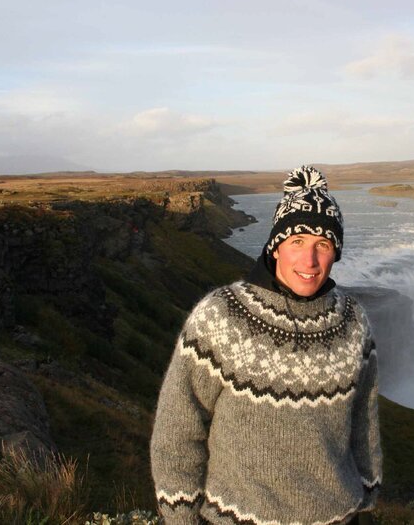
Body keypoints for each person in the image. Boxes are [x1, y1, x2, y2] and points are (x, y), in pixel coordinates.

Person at [150, 165, 381, 524]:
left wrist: (367, 493)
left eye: (323, 245)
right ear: (276, 247)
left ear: (335, 252)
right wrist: (180, 516)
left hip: (338, 517)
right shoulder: (222, 315)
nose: (310, 260)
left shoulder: (353, 322)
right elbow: (178, 426)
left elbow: (364, 417)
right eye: (297, 242)